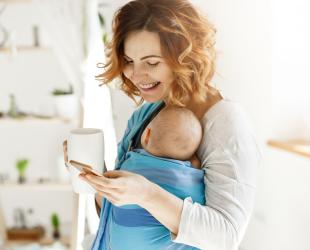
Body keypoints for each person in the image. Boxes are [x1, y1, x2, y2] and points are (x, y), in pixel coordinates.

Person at [63, 0, 261, 249]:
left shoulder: (225, 123)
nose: (136, 74)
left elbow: (226, 236)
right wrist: (97, 179)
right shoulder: (145, 115)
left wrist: (147, 194)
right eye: (129, 60)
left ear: (186, 57)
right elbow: (118, 214)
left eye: (152, 62)